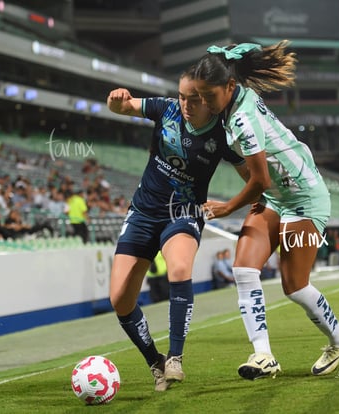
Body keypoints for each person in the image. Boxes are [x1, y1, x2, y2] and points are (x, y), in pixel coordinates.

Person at [193, 41, 339, 380]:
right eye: (200, 95)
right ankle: (263, 355)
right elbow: (249, 169)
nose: (204, 102)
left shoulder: (243, 119)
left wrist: (228, 208)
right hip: (277, 198)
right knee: (243, 269)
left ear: (230, 87)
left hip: (304, 198)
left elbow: (260, 180)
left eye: (209, 95)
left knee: (294, 286)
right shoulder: (230, 104)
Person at [106, 66, 248, 392]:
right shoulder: (165, 108)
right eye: (182, 96)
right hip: (143, 211)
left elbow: (250, 176)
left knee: (180, 268)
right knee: (119, 299)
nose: (185, 104)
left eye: (194, 99)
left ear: (209, 100)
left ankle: (174, 357)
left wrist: (240, 203)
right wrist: (116, 101)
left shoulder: (222, 134)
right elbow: (123, 107)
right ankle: (155, 362)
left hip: (183, 212)